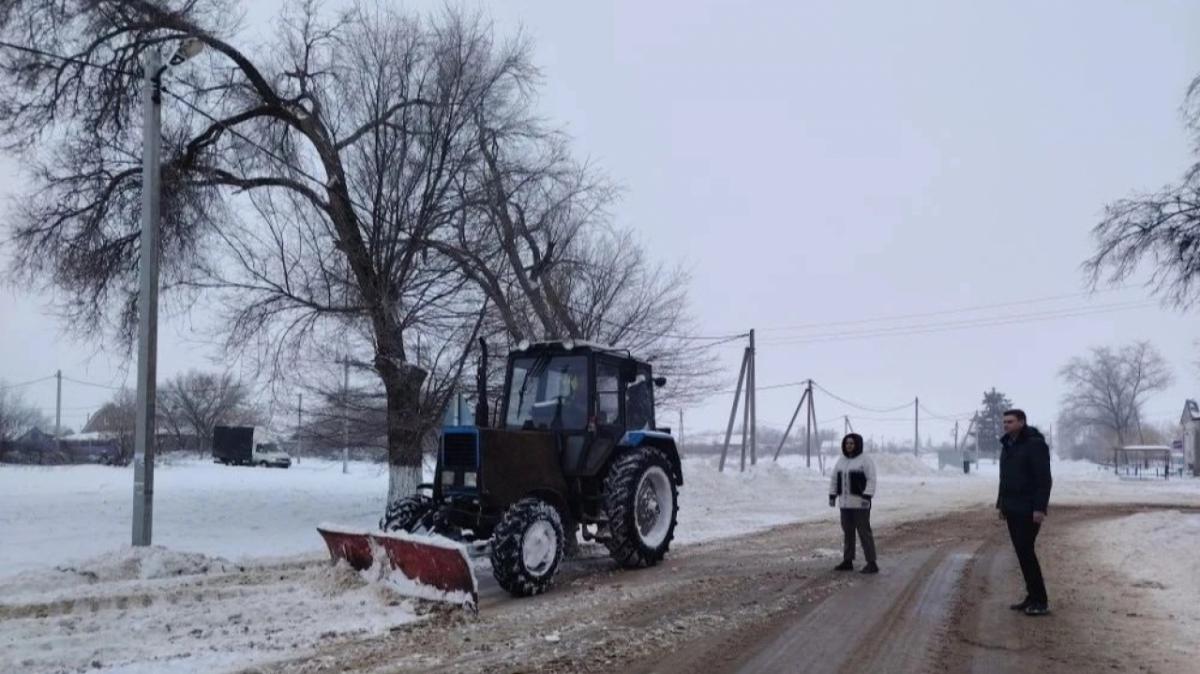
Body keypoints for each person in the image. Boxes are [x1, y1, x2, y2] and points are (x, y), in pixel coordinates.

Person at [997, 408, 1053, 617]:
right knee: (1022, 554)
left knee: (1026, 553)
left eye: (1010, 422)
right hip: (1012, 507)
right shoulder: (1008, 445)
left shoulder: (1035, 445)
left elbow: (1043, 479)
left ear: (1022, 422)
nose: (1006, 425)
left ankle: (1041, 601)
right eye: (1004, 422)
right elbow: (1005, 479)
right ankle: (1032, 596)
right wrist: (1002, 505)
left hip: (1029, 509)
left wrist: (1039, 508)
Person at [829, 433, 878, 574]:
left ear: (857, 444)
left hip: (860, 504)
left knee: (864, 532)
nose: (849, 446)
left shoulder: (865, 460)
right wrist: (832, 495)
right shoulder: (841, 461)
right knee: (848, 532)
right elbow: (834, 479)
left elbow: (871, 479)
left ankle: (872, 563)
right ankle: (848, 561)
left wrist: (867, 496)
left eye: (851, 443)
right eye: (846, 443)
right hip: (845, 504)